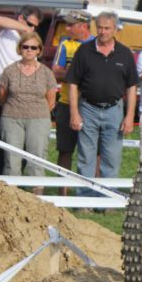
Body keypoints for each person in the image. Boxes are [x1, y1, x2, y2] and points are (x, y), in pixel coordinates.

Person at [66, 12, 137, 195]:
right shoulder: (84, 51)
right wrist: (74, 113)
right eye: (99, 28)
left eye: (107, 28)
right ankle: (84, 199)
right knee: (86, 157)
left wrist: (129, 116)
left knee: (111, 158)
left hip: (114, 110)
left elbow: (132, 86)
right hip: (88, 109)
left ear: (115, 30)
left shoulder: (125, 53)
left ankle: (106, 199)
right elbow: (72, 83)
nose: (103, 32)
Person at [0, 5, 43, 174]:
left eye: (35, 27)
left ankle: (17, 182)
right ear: (20, 18)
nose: (32, 29)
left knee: (21, 145)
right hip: (0, 95)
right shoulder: (3, 32)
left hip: (21, 100)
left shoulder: (29, 44)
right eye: (30, 24)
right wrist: (24, 28)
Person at [0, 31, 56, 185]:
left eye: (33, 47)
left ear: (39, 50)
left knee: (37, 161)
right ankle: (10, 195)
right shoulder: (9, 71)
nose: (29, 50)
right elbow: (2, 96)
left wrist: (36, 112)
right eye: (25, 47)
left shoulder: (47, 73)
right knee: (11, 161)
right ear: (20, 48)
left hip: (39, 119)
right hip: (12, 119)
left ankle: (37, 195)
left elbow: (51, 101)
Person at [52, 10, 94, 177]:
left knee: (91, 151)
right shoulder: (65, 44)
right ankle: (63, 188)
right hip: (66, 103)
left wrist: (71, 74)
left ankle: (89, 189)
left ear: (83, 26)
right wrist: (79, 75)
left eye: (71, 25)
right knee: (65, 150)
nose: (67, 28)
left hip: (91, 105)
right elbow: (56, 72)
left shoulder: (97, 44)